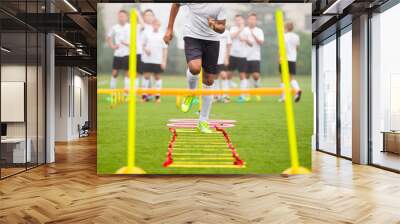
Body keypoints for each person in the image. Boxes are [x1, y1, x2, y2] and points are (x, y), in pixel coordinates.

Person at [164, 3, 226, 133]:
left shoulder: (220, 5)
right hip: (192, 36)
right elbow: (175, 4)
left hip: (212, 40)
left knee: (209, 80)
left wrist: (214, 25)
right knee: (195, 67)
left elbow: (222, 27)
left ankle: (203, 121)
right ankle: (191, 93)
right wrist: (169, 29)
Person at [141, 19, 168, 103]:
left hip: (158, 60)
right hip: (148, 60)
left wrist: (164, 61)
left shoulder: (163, 34)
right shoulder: (147, 33)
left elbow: (165, 49)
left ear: (159, 25)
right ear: (152, 24)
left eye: (157, 24)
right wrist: (146, 50)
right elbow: (142, 44)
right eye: (154, 23)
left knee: (157, 78)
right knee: (146, 77)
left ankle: (157, 97)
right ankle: (144, 97)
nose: (156, 25)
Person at [240, 12, 264, 102]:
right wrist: (246, 39)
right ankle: (247, 94)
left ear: (256, 21)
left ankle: (257, 92)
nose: (252, 21)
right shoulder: (244, 30)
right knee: (246, 76)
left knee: (256, 75)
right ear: (248, 20)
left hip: (255, 56)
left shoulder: (259, 31)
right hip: (245, 56)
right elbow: (241, 40)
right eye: (250, 19)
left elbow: (261, 42)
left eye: (254, 19)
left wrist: (253, 34)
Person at [107, 10, 130, 100]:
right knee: (114, 73)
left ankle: (126, 95)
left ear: (126, 17)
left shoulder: (130, 27)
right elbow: (108, 37)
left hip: (127, 53)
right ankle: (112, 95)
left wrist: (128, 44)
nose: (121, 18)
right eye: (120, 16)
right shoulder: (114, 27)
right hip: (117, 54)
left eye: (123, 16)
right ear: (118, 17)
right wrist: (112, 46)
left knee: (127, 74)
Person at [279, 21, 301, 103]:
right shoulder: (296, 37)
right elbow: (297, 48)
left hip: (284, 59)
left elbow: (281, 48)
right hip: (292, 59)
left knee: (282, 78)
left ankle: (283, 97)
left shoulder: (284, 36)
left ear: (286, 28)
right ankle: (297, 90)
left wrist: (279, 58)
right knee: (291, 78)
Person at [137, 9, 155, 100]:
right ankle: (144, 95)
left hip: (152, 55)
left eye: (150, 15)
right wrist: (137, 13)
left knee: (149, 75)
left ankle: (148, 93)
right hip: (142, 53)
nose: (149, 17)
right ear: (144, 17)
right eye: (147, 15)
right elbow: (143, 26)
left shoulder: (154, 28)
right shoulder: (141, 26)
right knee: (145, 75)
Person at [227, 15, 247, 93]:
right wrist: (239, 30)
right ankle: (227, 93)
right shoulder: (233, 28)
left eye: (239, 20)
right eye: (236, 20)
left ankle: (243, 94)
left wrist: (245, 39)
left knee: (242, 74)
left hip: (242, 55)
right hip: (232, 54)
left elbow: (250, 42)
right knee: (228, 74)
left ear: (243, 21)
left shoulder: (247, 30)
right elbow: (231, 36)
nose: (238, 21)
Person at [216, 29, 232, 103]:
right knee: (215, 77)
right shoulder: (212, 30)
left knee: (224, 75)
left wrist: (227, 57)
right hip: (214, 58)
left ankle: (226, 96)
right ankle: (216, 96)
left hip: (223, 58)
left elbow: (229, 45)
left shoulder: (226, 32)